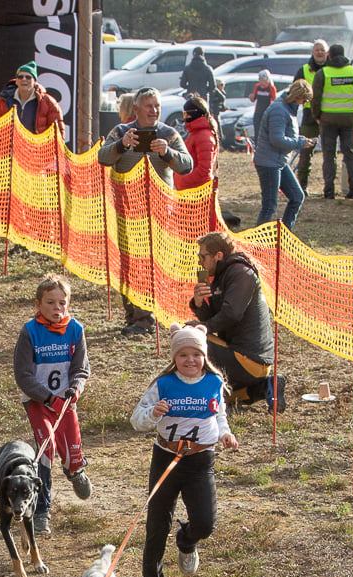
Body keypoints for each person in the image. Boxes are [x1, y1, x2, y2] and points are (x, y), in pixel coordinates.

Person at [129, 324, 237, 577]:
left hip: (201, 460)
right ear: (174, 357)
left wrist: (225, 434)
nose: (190, 360)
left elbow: (219, 416)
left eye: (196, 354)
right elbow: (136, 420)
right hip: (166, 457)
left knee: (205, 523)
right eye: (183, 354)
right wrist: (153, 413)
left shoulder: (213, 383)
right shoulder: (163, 384)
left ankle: (187, 541)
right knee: (157, 523)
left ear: (204, 356)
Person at [98, 87, 194, 336]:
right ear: (137, 109)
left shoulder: (169, 133)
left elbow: (187, 166)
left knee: (150, 262)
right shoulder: (121, 131)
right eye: (149, 105)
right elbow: (103, 157)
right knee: (128, 262)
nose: (154, 110)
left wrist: (167, 152)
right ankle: (132, 314)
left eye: (157, 105)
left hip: (159, 212)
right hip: (127, 210)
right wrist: (122, 145)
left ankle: (145, 319)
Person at [13, 274, 92, 537]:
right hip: (39, 401)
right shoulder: (30, 332)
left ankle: (74, 470)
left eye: (62, 303)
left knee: (70, 451)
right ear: (38, 304)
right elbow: (23, 374)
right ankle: (41, 510)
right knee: (46, 448)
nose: (57, 309)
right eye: (50, 303)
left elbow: (81, 369)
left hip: (65, 401)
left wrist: (75, 388)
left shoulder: (75, 330)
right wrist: (46, 397)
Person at [190, 231, 276, 410]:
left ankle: (197, 397)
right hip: (241, 355)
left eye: (203, 256)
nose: (200, 261)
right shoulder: (222, 275)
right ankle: (263, 388)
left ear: (218, 255)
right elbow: (214, 318)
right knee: (227, 396)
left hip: (251, 359)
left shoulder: (240, 273)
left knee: (191, 338)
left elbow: (231, 314)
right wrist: (199, 303)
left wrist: (201, 328)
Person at [253, 79, 315, 230]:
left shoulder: (288, 109)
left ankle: (285, 235)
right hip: (268, 163)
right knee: (270, 205)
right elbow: (277, 139)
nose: (304, 103)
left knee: (297, 196)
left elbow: (285, 137)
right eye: (304, 99)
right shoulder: (279, 110)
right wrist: (299, 143)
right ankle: (257, 243)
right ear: (297, 96)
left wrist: (299, 140)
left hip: (279, 161)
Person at [310, 42, 353, 199]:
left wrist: (317, 116)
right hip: (348, 119)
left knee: (329, 155)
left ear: (329, 56)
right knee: (350, 154)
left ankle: (329, 191)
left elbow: (316, 98)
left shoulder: (323, 73)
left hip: (327, 119)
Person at [0, 62, 64, 133]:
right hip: (9, 145)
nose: (24, 79)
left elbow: (58, 133)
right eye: (20, 77)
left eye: (28, 77)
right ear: (16, 81)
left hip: (38, 145)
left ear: (35, 81)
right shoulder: (4, 101)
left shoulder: (49, 103)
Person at [295, 39, 328, 190]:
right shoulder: (304, 70)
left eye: (322, 50)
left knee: (329, 153)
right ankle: (302, 186)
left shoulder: (333, 69)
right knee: (305, 151)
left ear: (327, 52)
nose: (320, 52)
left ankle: (329, 188)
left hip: (328, 114)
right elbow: (295, 91)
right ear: (312, 53)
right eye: (317, 50)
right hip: (309, 115)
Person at [175, 96, 217, 191]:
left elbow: (204, 170)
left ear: (193, 113)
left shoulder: (204, 137)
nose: (184, 118)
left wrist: (182, 181)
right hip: (190, 192)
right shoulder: (195, 133)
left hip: (197, 194)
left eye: (186, 114)